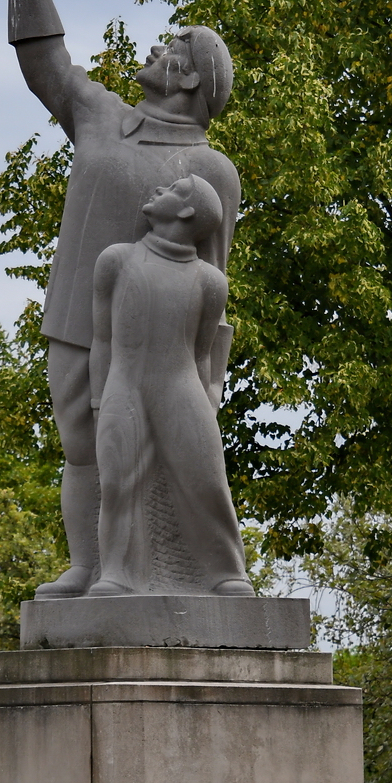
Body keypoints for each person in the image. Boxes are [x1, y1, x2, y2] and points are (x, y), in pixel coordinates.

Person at [1, 0, 241, 597]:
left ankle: (187, 573)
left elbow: (213, 279)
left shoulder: (211, 169)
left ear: (190, 79)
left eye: (171, 48)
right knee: (83, 445)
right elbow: (47, 66)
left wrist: (208, 377)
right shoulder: (101, 116)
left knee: (173, 456)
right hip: (80, 311)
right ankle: (88, 566)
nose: (155, 49)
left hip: (161, 340)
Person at [89, 175, 253, 597]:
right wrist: (98, 397)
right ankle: (117, 573)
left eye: (175, 190)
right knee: (117, 481)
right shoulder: (117, 260)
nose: (159, 190)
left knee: (206, 479)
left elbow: (201, 352)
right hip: (124, 384)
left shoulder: (210, 280)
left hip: (181, 388)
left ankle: (226, 571)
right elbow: (102, 338)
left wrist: (204, 404)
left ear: (186, 212)